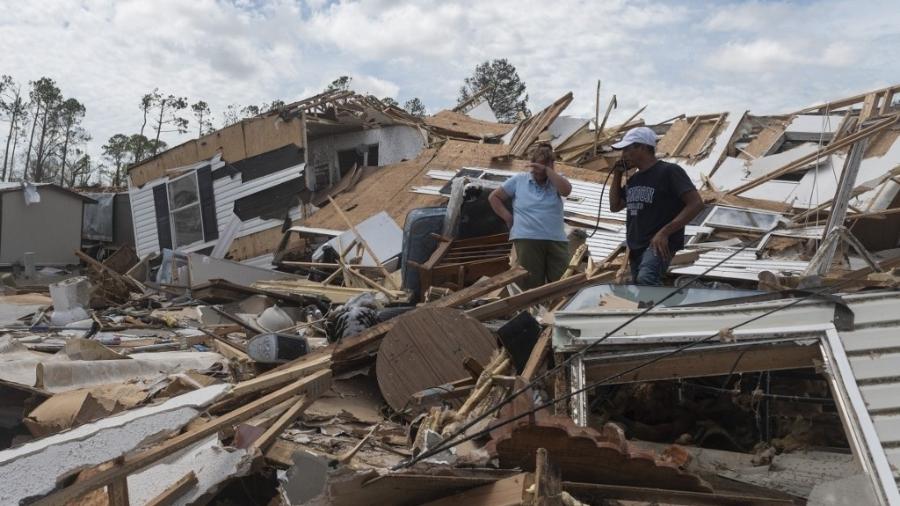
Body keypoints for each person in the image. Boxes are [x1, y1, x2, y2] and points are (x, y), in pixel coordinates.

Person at [609, 127, 704, 286]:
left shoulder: (669, 171)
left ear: (643, 147)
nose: (623, 154)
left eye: (627, 149)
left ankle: (663, 309)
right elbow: (615, 205)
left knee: (646, 279)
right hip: (636, 244)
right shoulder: (634, 179)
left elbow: (696, 204)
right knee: (639, 287)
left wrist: (665, 232)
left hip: (658, 243)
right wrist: (617, 174)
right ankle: (653, 310)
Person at [489, 143, 573, 289]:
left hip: (556, 239)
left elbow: (566, 191)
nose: (538, 172)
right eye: (535, 168)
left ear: (551, 165)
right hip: (528, 238)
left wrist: (548, 171)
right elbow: (494, 197)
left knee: (562, 282)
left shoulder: (556, 180)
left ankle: (555, 310)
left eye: (542, 168)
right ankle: (530, 311)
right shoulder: (519, 180)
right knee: (529, 283)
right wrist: (508, 218)